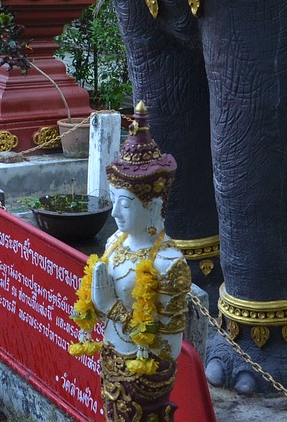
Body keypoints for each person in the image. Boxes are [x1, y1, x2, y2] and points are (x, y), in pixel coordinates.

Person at [71, 104, 190, 422]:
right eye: (114, 202)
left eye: (124, 204)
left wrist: (111, 307)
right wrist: (91, 306)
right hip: (110, 359)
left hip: (146, 376)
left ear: (151, 205)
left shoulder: (169, 265)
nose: (114, 214)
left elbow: (168, 349)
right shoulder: (114, 244)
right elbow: (99, 304)